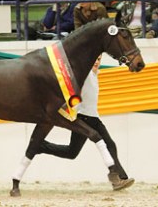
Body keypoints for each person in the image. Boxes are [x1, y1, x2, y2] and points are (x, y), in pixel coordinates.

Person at [37, 55, 135, 191]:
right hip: (83, 118)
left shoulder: (96, 74)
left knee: (78, 151)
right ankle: (118, 178)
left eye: (99, 59)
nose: (96, 62)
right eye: (94, 59)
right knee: (100, 146)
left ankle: (42, 146)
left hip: (93, 118)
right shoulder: (85, 73)